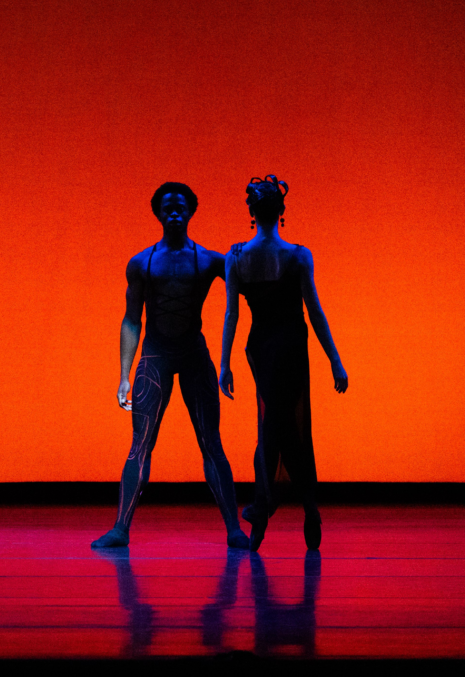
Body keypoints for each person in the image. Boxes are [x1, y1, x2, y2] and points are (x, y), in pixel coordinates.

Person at [93, 183, 248, 550]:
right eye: (168, 208)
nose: (175, 213)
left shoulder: (209, 260)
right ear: (158, 214)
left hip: (193, 353)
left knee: (212, 443)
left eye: (181, 207)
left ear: (191, 211)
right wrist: (124, 376)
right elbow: (132, 319)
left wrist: (246, 253)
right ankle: (120, 529)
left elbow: (246, 285)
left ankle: (234, 529)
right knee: (140, 444)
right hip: (156, 354)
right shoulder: (142, 263)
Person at [219, 175, 348, 552]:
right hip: (289, 345)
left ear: (252, 211)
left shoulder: (237, 256)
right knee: (286, 426)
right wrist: (334, 360)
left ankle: (265, 508)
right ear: (281, 210)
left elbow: (232, 315)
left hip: (262, 346)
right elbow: (315, 312)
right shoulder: (297, 255)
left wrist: (225, 363)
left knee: (274, 426)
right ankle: (303, 506)